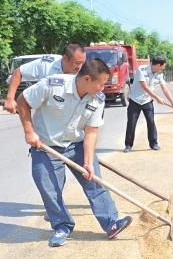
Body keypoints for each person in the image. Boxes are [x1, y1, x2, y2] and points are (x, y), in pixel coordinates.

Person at [16, 58, 132, 247]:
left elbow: (91, 131)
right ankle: (62, 227)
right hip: (45, 147)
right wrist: (29, 131)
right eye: (101, 83)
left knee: (94, 183)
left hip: (76, 145)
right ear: (87, 79)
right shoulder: (53, 85)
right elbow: (23, 101)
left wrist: (87, 161)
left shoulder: (97, 99)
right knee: (50, 190)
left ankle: (111, 223)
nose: (103, 88)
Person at [4, 43, 86, 113]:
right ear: (65, 58)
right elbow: (18, 72)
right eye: (77, 63)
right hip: (46, 117)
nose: (80, 67)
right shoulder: (46, 64)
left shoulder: (85, 72)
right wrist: (10, 98)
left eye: (82, 63)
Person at [124, 56, 173, 153]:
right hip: (135, 101)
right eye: (163, 66)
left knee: (151, 121)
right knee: (131, 123)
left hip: (147, 101)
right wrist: (157, 98)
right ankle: (128, 145)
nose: (164, 67)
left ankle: (153, 143)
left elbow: (165, 88)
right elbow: (145, 87)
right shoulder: (141, 70)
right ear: (158, 65)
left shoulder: (159, 74)